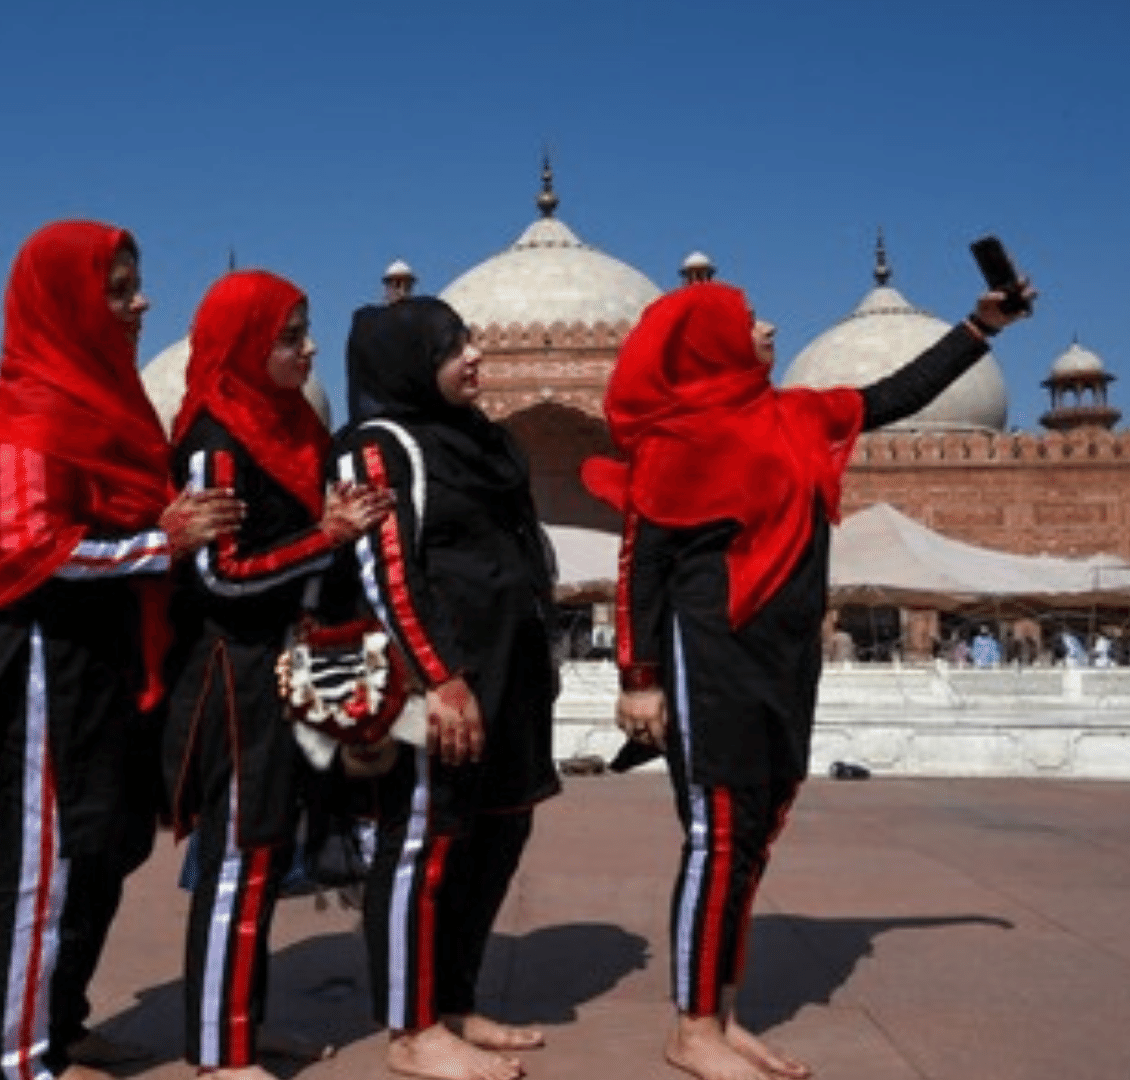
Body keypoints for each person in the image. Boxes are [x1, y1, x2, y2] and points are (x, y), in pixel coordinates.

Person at [580, 275, 1033, 1080]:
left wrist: (979, 326)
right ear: (707, 344)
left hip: (783, 658)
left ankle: (721, 1014)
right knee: (717, 835)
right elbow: (639, 570)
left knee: (753, 834)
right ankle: (690, 1029)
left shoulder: (794, 416)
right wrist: (638, 678)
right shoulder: (676, 442)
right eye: (750, 320)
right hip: (711, 655)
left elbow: (895, 393)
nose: (769, 325)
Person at [0, 221, 242, 1080]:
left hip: (101, 656)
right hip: (38, 665)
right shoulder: (32, 412)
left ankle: (64, 1021)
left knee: (103, 847)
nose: (140, 303)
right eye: (119, 289)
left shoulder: (106, 401)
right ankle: (21, 1059)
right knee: (38, 874)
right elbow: (25, 546)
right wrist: (157, 545)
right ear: (68, 302)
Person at [163, 270, 392, 1080]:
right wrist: (327, 535)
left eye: (306, 332)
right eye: (290, 336)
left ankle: (241, 1028)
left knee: (262, 859)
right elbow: (220, 576)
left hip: (285, 666)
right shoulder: (215, 442)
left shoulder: (288, 430)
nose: (308, 348)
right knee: (239, 860)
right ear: (244, 344)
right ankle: (219, 1055)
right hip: (233, 677)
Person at [330, 296, 562, 1080]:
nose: (474, 355)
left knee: (497, 834)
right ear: (408, 359)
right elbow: (388, 573)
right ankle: (410, 1028)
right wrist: (440, 678)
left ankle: (453, 1000)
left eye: (469, 339)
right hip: (436, 677)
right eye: (453, 344)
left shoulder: (483, 442)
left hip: (508, 672)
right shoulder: (379, 445)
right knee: (423, 844)